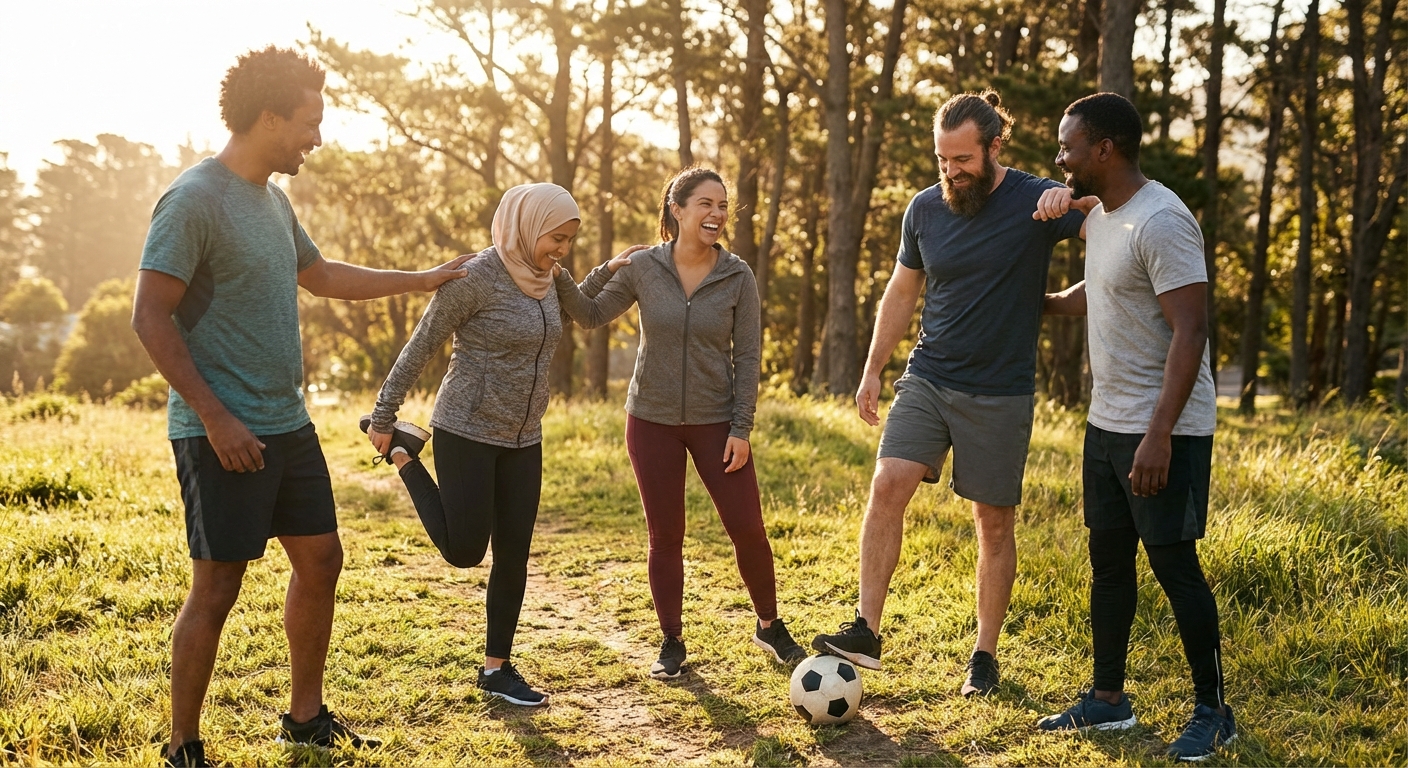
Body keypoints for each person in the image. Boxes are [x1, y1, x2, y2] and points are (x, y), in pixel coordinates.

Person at [131, 47, 472, 768]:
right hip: (220, 430)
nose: (317, 138)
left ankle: (306, 717)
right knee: (218, 585)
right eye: (309, 122)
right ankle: (183, 743)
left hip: (287, 424)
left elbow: (320, 276)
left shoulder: (271, 201)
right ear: (268, 117)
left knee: (321, 560)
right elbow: (149, 318)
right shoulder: (194, 199)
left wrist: (425, 278)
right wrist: (217, 418)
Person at [810, 91, 1092, 696]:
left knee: (992, 522)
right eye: (942, 160)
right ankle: (866, 629)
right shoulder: (925, 210)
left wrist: (1073, 206)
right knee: (888, 483)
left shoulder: (1035, 200)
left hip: (1000, 392)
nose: (950, 172)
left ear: (995, 147)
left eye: (962, 159)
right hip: (930, 375)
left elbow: (1120, 221)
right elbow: (902, 291)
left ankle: (983, 655)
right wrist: (871, 368)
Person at [1036, 92, 1233, 761]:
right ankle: (1108, 700)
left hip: (1162, 431)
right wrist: (1050, 304)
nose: (1060, 157)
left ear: (1104, 150)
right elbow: (1113, 287)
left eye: (1068, 146)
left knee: (1176, 567)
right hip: (1106, 424)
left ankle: (1215, 709)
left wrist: (1158, 436)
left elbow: (1191, 329)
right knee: (1110, 566)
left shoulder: (1163, 220)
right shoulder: (1106, 216)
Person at [552, 166, 808, 679]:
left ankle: (768, 624)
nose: (716, 214)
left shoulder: (737, 276)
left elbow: (748, 357)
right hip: (652, 420)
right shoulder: (645, 267)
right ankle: (671, 641)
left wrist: (741, 428)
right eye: (705, 204)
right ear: (678, 208)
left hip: (718, 422)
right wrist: (596, 270)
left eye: (722, 206)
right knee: (665, 536)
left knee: (749, 531)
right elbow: (587, 313)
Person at [362, 182, 601, 708]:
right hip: (466, 428)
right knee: (466, 550)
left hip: (524, 435)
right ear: (526, 225)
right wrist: (384, 414)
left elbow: (587, 313)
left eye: (567, 241)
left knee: (514, 553)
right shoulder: (475, 278)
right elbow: (421, 344)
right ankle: (402, 453)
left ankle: (497, 669)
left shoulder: (551, 278)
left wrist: (612, 272)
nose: (560, 251)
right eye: (554, 238)